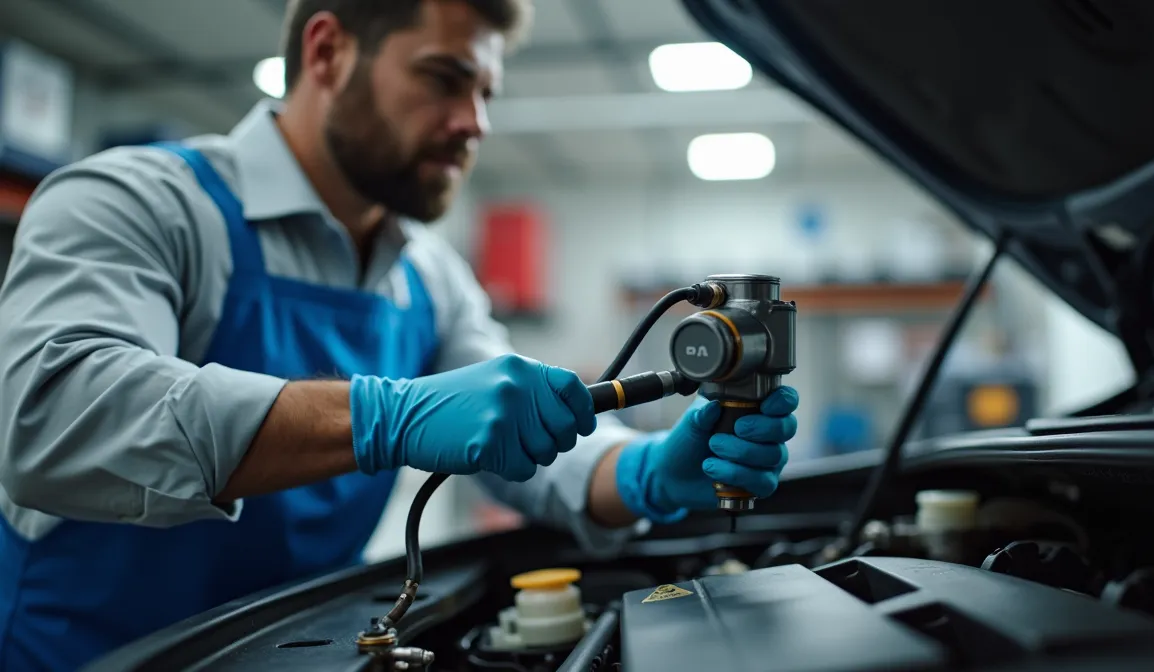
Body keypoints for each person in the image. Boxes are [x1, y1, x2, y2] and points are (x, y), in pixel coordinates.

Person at [0, 0, 800, 669]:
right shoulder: (140, 202)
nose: (474, 123)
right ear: (328, 51)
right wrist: (386, 414)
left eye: (486, 92)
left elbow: (526, 442)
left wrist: (646, 473)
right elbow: (52, 415)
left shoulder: (430, 278)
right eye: (446, 79)